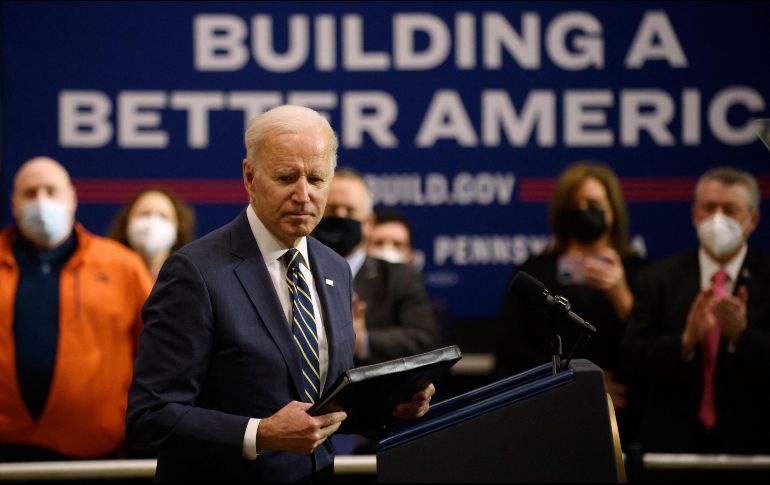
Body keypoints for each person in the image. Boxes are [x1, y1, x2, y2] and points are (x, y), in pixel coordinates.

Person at [125, 105, 435, 483]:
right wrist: (260, 433)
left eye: (317, 180)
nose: (303, 195)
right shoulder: (196, 272)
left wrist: (392, 408)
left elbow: (323, 406)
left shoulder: (335, 268)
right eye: (287, 177)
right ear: (249, 177)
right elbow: (150, 416)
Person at [0, 156, 152, 461]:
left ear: (72, 199)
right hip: (6, 452)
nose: (41, 202)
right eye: (30, 194)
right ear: (14, 204)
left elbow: (156, 354)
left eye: (51, 191)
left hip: (99, 454)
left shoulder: (121, 265)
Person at [621, 166, 770, 459]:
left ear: (753, 220)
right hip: (672, 449)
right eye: (708, 208)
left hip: (754, 449)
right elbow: (631, 362)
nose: (717, 219)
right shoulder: (657, 279)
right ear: (694, 214)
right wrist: (685, 342)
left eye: (730, 210)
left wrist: (742, 336)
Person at [494, 161, 647, 444]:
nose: (585, 211)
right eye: (576, 204)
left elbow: (653, 351)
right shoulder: (537, 271)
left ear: (612, 211)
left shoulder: (639, 271)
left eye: (594, 203)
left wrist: (622, 297)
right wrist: (578, 383)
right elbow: (510, 347)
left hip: (623, 420)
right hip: (548, 412)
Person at [314, 168, 438, 366]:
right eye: (331, 209)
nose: (340, 216)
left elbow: (424, 339)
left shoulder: (400, 277)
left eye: (350, 211)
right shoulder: (295, 270)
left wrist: (364, 341)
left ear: (369, 223)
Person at [108, 187, 196, 280]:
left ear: (178, 231)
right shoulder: (108, 277)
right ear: (126, 225)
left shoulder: (188, 281)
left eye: (163, 216)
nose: (152, 222)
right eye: (144, 214)